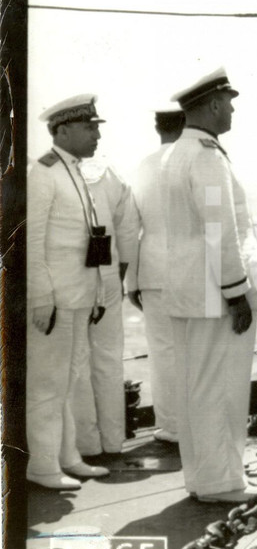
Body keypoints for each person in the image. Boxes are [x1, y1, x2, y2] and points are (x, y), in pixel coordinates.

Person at [162, 68, 257, 503]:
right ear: (212, 105)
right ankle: (222, 483)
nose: (232, 108)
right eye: (228, 101)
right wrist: (237, 293)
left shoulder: (177, 153)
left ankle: (202, 476)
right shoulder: (207, 158)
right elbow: (220, 230)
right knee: (221, 390)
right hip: (216, 294)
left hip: (188, 293)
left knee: (196, 388)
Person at [26, 94, 113, 489]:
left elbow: (84, 240)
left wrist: (96, 292)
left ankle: (68, 457)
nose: (96, 134)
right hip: (55, 299)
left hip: (78, 295)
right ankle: (42, 467)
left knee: (69, 379)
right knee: (48, 383)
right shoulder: (42, 172)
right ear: (62, 130)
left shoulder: (75, 170)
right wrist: (42, 299)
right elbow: (31, 242)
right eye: (89, 127)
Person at [69, 145, 140, 458]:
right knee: (109, 360)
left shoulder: (49, 171)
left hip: (69, 278)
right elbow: (128, 230)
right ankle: (112, 441)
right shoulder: (111, 173)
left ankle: (86, 445)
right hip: (108, 273)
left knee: (76, 361)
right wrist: (118, 275)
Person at [125, 107, 187, 444]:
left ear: (157, 128)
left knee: (163, 353)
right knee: (198, 350)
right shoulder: (199, 161)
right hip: (194, 273)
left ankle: (172, 427)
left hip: (152, 272)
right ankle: (199, 422)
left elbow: (131, 227)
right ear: (186, 125)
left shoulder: (143, 167)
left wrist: (132, 281)